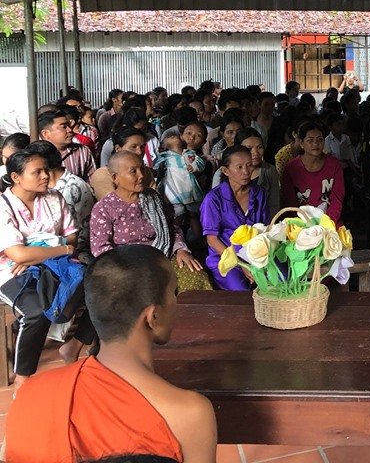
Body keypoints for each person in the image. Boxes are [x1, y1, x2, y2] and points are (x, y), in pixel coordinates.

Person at [5, 245, 218, 463]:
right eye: (174, 292)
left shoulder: (31, 395)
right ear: (152, 317)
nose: (176, 301)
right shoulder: (190, 414)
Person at [0, 149, 95, 389]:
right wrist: (59, 247)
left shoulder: (54, 197)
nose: (46, 176)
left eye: (46, 170)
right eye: (37, 172)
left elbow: (72, 238)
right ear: (16, 177)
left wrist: (38, 251)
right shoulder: (3, 206)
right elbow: (17, 256)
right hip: (12, 272)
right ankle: (23, 378)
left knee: (103, 288)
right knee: (36, 311)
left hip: (57, 266)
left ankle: (75, 344)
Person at [89, 151, 202, 271]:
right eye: (133, 171)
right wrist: (128, 267)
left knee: (194, 273)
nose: (142, 175)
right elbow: (101, 249)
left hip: (161, 255)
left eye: (142, 168)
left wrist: (181, 250)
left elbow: (172, 228)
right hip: (124, 265)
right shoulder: (104, 208)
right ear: (115, 178)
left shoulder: (153, 198)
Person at [201, 145, 269, 290]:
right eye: (239, 167)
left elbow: (265, 228)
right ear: (225, 171)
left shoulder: (259, 193)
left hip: (256, 255)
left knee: (282, 280)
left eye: (249, 165)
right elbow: (212, 239)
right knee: (241, 290)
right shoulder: (214, 199)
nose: (246, 171)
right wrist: (240, 264)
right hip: (225, 258)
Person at [280, 121, 344, 219]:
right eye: (310, 140)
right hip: (301, 222)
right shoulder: (291, 169)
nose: (315, 143)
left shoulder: (334, 165)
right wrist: (306, 224)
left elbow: (337, 199)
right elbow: (291, 204)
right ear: (301, 143)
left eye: (320, 139)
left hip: (329, 221)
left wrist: (327, 222)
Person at [39, 109, 96, 182]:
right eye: (63, 127)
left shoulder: (83, 151)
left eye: (69, 125)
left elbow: (92, 183)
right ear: (46, 134)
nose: (70, 130)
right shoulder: (34, 156)